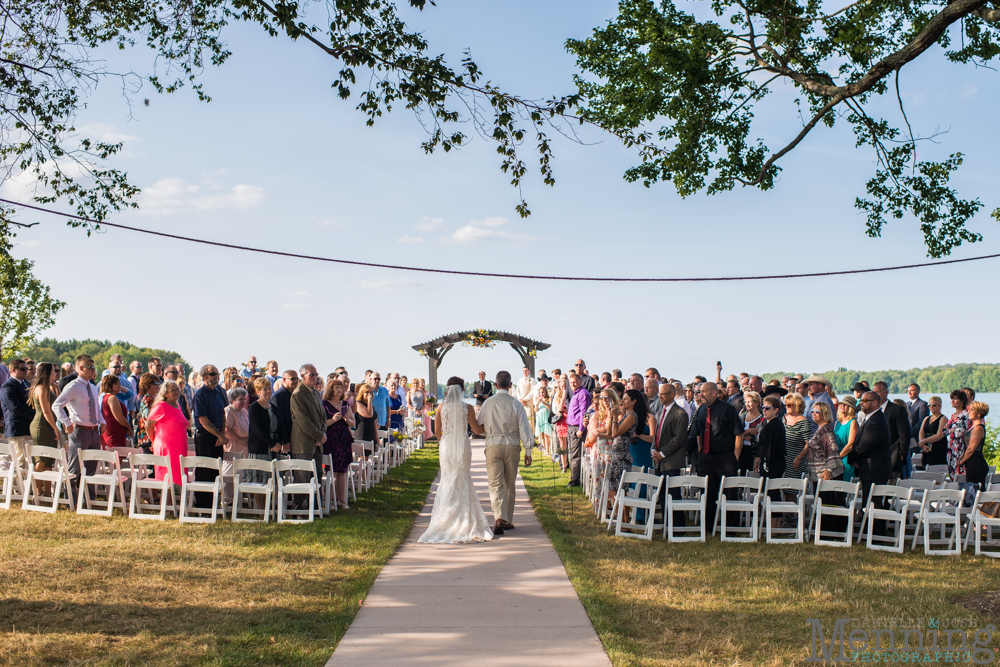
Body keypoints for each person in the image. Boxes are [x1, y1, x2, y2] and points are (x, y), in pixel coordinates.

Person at [419, 377, 493, 543]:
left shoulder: (441, 407)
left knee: (448, 480)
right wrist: (490, 424)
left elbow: (437, 431)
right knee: (463, 478)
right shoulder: (467, 407)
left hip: (446, 447)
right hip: (462, 446)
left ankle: (445, 518)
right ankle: (465, 520)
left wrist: (445, 443)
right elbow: (476, 429)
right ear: (460, 390)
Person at [476, 370, 533, 535]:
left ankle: (498, 517)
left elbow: (480, 424)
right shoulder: (516, 404)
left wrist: (490, 430)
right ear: (510, 385)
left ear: (495, 385)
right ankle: (506, 520)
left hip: (493, 444)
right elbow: (524, 428)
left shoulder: (488, 403)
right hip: (512, 445)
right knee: (509, 483)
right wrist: (528, 450)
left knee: (495, 483)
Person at [51, 355, 106, 490]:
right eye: (90, 368)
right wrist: (67, 422)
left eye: (94, 368)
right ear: (80, 368)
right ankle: (72, 499)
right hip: (79, 431)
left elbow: (96, 408)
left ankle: (88, 500)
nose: (93, 371)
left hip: (94, 431)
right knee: (75, 469)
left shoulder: (92, 387)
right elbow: (56, 405)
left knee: (91, 469)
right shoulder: (73, 386)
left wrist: (102, 421)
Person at [848, 392, 893, 533]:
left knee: (874, 504)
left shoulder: (876, 421)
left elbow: (864, 446)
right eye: (861, 400)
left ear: (875, 402)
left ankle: (876, 535)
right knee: (869, 502)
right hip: (870, 469)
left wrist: (850, 458)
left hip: (875, 470)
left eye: (865, 400)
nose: (861, 403)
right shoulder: (872, 418)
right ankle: (870, 533)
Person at [652, 383, 688, 527]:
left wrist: (662, 453)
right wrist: (654, 451)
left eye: (663, 394)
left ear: (672, 394)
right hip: (659, 461)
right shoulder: (661, 412)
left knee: (673, 495)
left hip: (671, 461)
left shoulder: (680, 413)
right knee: (662, 495)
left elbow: (678, 438)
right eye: (659, 394)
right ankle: (667, 525)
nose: (660, 396)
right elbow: (657, 434)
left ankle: (677, 527)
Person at [193, 365, 228, 508]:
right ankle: (202, 505)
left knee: (215, 471)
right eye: (212, 374)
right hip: (205, 436)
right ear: (204, 377)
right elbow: (203, 420)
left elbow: (223, 415)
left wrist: (222, 435)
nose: (216, 376)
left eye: (217, 373)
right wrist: (220, 435)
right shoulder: (200, 394)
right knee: (204, 471)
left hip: (218, 435)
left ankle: (213, 503)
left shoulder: (219, 392)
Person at [291, 364, 326, 504]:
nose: (314, 377)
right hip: (303, 443)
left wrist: (322, 434)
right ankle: (298, 507)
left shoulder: (316, 393)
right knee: (302, 476)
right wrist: (318, 436)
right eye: (311, 375)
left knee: (317, 474)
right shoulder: (298, 394)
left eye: (316, 374)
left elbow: (323, 416)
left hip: (318, 442)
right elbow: (303, 421)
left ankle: (316, 506)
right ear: (302, 376)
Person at [146, 380, 189, 487]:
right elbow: (148, 425)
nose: (176, 392)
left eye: (177, 389)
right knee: (168, 478)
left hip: (179, 447)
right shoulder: (162, 406)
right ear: (165, 394)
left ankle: (172, 502)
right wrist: (153, 441)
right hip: (167, 447)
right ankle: (167, 502)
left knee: (178, 477)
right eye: (172, 390)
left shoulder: (177, 406)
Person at [322, 378, 355, 509]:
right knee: (331, 470)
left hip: (344, 439)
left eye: (341, 388)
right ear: (330, 389)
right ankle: (329, 501)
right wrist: (333, 420)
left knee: (343, 470)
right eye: (337, 388)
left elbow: (353, 422)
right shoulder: (324, 404)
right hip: (330, 440)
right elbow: (321, 423)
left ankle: (342, 501)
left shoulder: (345, 404)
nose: (340, 390)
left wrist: (347, 420)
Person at [27, 362, 59, 496]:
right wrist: (56, 428)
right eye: (53, 370)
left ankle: (47, 492)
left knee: (49, 459)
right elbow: (46, 412)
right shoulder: (41, 388)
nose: (55, 373)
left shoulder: (48, 387)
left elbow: (58, 402)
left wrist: (57, 387)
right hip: (42, 426)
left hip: (48, 425)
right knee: (41, 459)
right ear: (46, 372)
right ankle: (37, 492)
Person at [247, 377, 280, 506]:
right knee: (259, 479)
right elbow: (257, 429)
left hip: (273, 448)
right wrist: (272, 443)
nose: (268, 391)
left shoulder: (273, 407)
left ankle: (268, 507)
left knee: (269, 479)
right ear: (258, 391)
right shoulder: (254, 407)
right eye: (265, 389)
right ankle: (261, 509)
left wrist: (279, 442)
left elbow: (280, 426)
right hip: (259, 447)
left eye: (269, 389)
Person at [873, 381, 911, 480]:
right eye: (874, 392)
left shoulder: (897, 409)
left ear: (886, 392)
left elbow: (904, 433)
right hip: (876, 458)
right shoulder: (873, 410)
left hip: (893, 455)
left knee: (891, 488)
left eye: (879, 391)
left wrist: (902, 454)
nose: (876, 394)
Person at [566, 372, 592, 488]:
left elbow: (584, 413)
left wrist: (581, 429)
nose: (573, 384)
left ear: (581, 382)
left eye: (575, 382)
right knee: (572, 453)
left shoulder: (583, 394)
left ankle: (575, 480)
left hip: (577, 428)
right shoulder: (575, 393)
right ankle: (574, 476)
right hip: (571, 427)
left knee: (576, 455)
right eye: (571, 383)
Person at [754, 394, 786, 482]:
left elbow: (765, 446)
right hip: (775, 462)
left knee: (770, 492)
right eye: (763, 408)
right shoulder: (776, 424)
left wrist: (757, 461)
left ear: (776, 410)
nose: (764, 410)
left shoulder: (772, 425)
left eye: (767, 408)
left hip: (771, 464)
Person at [1, 359, 34, 440]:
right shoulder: (8, 386)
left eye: (27, 369)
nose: (26, 371)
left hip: (27, 428)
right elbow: (14, 407)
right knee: (20, 453)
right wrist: (34, 414)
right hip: (17, 430)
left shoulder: (25, 384)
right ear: (13, 370)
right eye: (22, 369)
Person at [961, 401, 990, 491]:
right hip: (971, 462)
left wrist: (961, 462)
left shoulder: (978, 428)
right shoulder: (974, 427)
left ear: (979, 413)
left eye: (972, 410)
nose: (969, 412)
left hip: (976, 463)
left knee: (974, 492)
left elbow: (971, 449)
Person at [782, 393, 811, 479]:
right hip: (783, 459)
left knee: (792, 488)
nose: (786, 407)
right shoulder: (783, 419)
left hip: (795, 461)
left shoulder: (804, 422)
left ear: (797, 405)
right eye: (785, 404)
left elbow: (809, 443)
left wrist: (799, 457)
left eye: (789, 405)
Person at [269, 370, 298, 457]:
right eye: (293, 379)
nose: (296, 381)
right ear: (284, 379)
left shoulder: (293, 395)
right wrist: (284, 441)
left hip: (294, 439)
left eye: (297, 379)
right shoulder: (278, 396)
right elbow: (279, 421)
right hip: (284, 443)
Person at [99, 375, 131, 449]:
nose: (119, 385)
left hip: (115, 432)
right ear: (109, 385)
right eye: (116, 384)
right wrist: (129, 427)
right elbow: (119, 417)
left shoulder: (105, 397)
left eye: (119, 383)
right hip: (114, 433)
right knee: (115, 457)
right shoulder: (112, 398)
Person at [134, 373, 162, 454]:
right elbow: (149, 419)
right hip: (147, 439)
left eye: (158, 383)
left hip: (148, 438)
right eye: (155, 383)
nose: (158, 386)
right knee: (150, 465)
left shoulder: (152, 398)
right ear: (147, 385)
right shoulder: (147, 398)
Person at [917, 396, 948, 467]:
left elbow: (939, 435)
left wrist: (923, 441)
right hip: (926, 447)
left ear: (940, 406)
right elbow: (921, 432)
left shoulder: (943, 418)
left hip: (938, 448)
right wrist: (923, 445)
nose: (931, 407)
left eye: (934, 405)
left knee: (936, 468)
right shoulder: (926, 418)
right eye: (929, 405)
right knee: (925, 467)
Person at [738, 391, 764, 475]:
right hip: (741, 450)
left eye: (749, 402)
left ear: (757, 403)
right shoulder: (742, 416)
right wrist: (748, 431)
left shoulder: (762, 419)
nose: (747, 404)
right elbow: (736, 433)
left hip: (753, 452)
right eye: (745, 402)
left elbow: (759, 439)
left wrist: (742, 435)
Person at [834, 396, 859, 481]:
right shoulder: (837, 422)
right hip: (835, 456)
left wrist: (838, 457)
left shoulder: (853, 422)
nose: (842, 406)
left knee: (844, 484)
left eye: (845, 404)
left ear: (851, 408)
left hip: (846, 457)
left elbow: (850, 444)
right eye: (841, 404)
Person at [224, 387, 250, 459]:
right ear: (232, 400)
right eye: (240, 399)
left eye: (244, 399)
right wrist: (241, 440)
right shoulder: (228, 411)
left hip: (244, 453)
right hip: (232, 453)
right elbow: (226, 431)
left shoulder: (244, 411)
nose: (244, 402)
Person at [552, 378, 569, 471]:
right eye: (562, 387)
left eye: (565, 386)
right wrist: (563, 396)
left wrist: (565, 410)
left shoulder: (570, 396)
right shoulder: (557, 396)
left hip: (568, 420)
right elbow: (559, 408)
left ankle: (567, 463)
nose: (563, 388)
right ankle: (564, 465)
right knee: (562, 444)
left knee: (567, 444)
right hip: (560, 422)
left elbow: (569, 409)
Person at [514, 366, 537, 434]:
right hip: (521, 402)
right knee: (520, 418)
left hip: (529, 402)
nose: (525, 372)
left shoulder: (532, 380)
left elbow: (533, 391)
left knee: (530, 419)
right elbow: (517, 390)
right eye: (523, 371)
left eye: (526, 370)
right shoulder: (519, 380)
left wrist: (524, 399)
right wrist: (520, 399)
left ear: (529, 371)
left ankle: (531, 435)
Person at [534, 386, 553, 455]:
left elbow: (550, 408)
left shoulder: (549, 399)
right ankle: (544, 450)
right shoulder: (537, 399)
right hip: (540, 417)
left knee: (546, 435)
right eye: (540, 392)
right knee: (541, 435)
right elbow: (535, 410)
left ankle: (547, 451)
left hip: (546, 417)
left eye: (543, 392)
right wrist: (537, 403)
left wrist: (543, 402)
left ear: (546, 392)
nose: (541, 394)